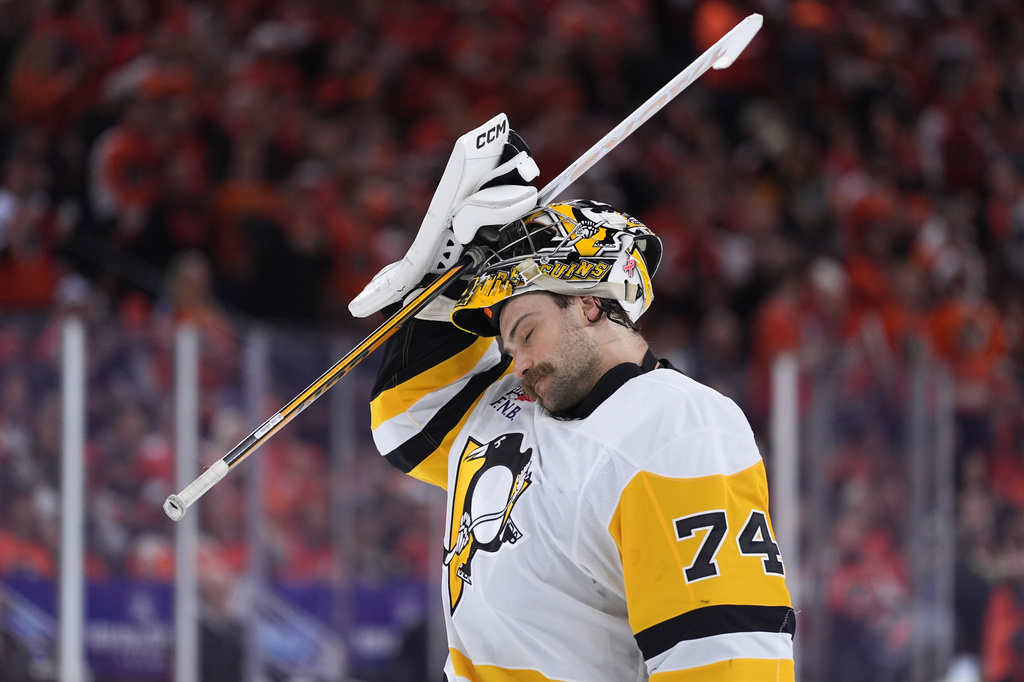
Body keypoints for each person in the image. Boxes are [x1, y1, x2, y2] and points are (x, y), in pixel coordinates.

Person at [351, 119, 796, 681]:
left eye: (527, 332)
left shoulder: (673, 424)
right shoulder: (511, 405)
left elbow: (725, 657)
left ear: (589, 302)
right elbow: (405, 420)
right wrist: (449, 274)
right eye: (506, 345)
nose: (517, 362)